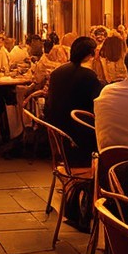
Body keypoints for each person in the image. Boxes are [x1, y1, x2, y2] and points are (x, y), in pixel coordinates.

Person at [44, 36, 103, 166]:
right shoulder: (88, 75)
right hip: (78, 133)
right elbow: (98, 102)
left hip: (58, 131)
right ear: (90, 54)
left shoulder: (57, 72)